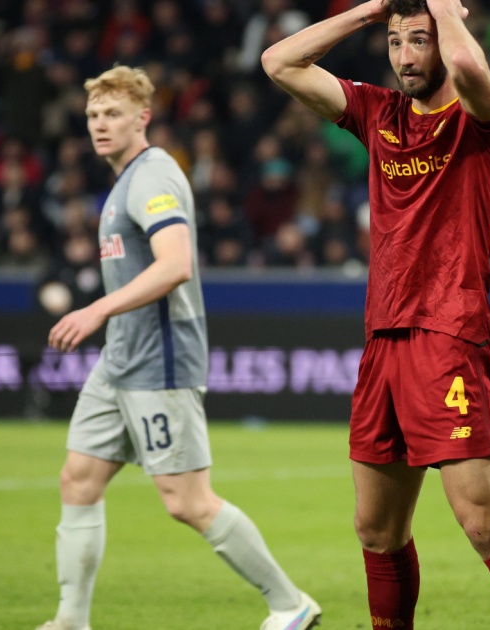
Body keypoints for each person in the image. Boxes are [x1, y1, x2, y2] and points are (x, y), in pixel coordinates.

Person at [261, 0, 490, 629]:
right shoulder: (379, 114)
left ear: (445, 40)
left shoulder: (486, 118)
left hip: (449, 333)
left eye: (419, 41)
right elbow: (279, 62)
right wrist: (368, 12)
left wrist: (447, 13)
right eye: (396, 43)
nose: (406, 56)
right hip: (383, 337)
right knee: (376, 528)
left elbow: (469, 67)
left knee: (483, 522)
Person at [37, 66, 318, 630]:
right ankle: (70, 621)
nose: (99, 124)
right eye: (93, 115)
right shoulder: (124, 181)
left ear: (142, 118)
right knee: (79, 479)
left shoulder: (152, 176)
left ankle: (290, 604)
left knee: (187, 501)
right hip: (121, 358)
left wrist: (96, 309)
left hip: (159, 360)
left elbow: (175, 265)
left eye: (113, 114)